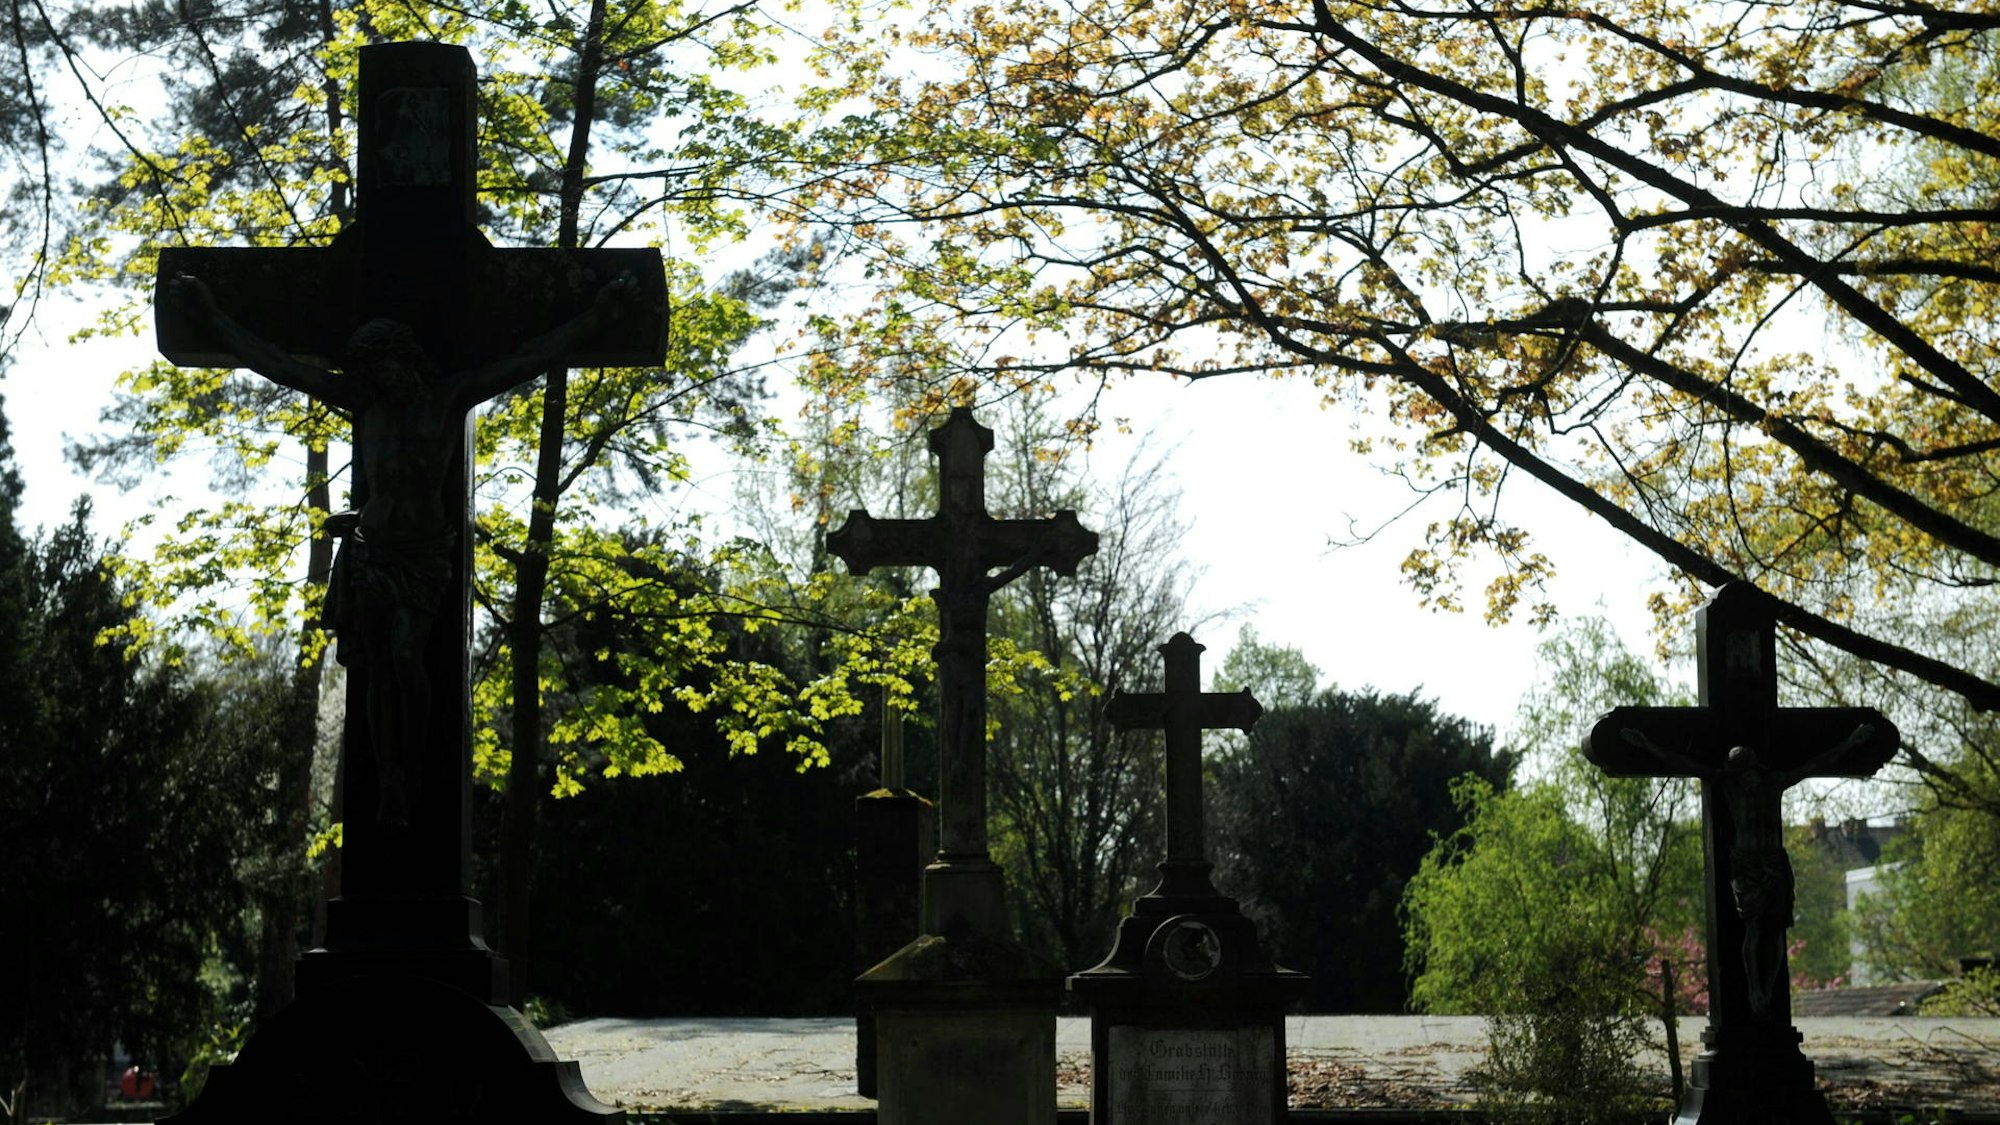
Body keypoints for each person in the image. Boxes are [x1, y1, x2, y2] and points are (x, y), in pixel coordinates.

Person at [171, 272, 634, 825]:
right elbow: (282, 366)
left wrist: (599, 318)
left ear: (405, 358)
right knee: (374, 669)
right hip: (370, 551)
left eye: (384, 367)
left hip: (421, 556)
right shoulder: (366, 406)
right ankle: (389, 773)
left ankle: (409, 765)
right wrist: (211, 320)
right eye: (370, 372)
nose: (380, 380)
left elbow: (529, 358)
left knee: (407, 658)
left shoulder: (449, 398)